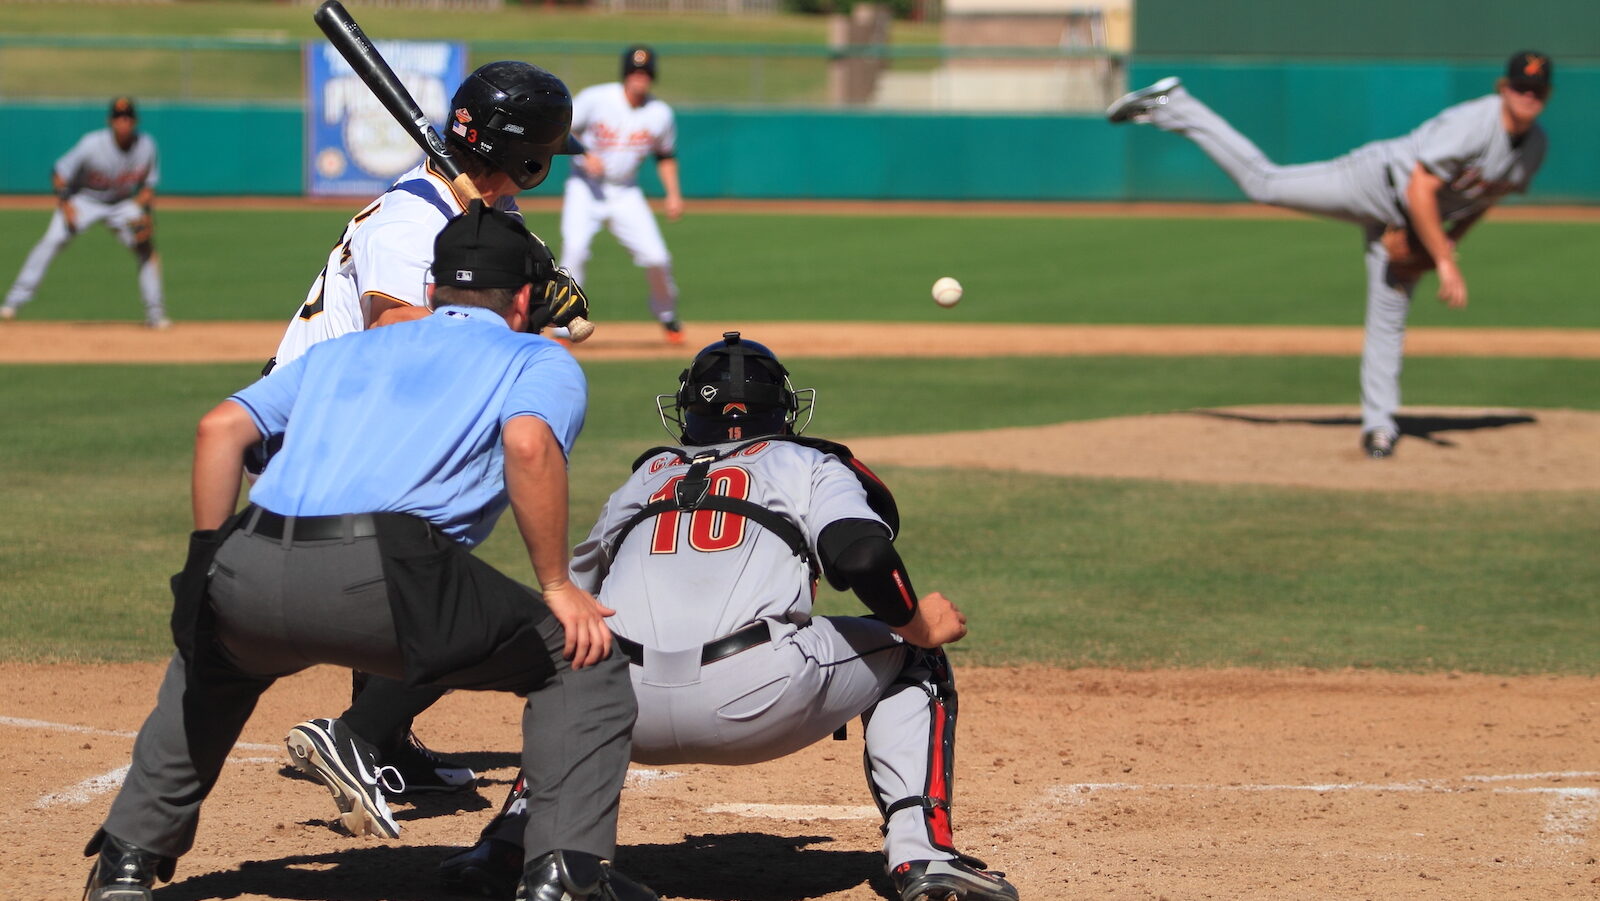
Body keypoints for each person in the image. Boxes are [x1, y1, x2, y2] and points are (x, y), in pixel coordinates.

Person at [82, 202, 654, 901]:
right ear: (527, 298)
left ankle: (126, 861)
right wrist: (558, 586)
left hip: (253, 553)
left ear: (434, 287)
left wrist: (207, 561)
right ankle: (565, 876)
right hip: (386, 577)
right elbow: (529, 444)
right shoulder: (538, 355)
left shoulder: (342, 348)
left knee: (210, 661)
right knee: (581, 661)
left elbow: (220, 428)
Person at [436, 332, 1020, 901]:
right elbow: (863, 554)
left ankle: (508, 847)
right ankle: (923, 855)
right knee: (914, 653)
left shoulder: (648, 474)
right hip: (759, 698)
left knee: (572, 671)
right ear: (787, 407)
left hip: (618, 708)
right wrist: (917, 624)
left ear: (686, 411)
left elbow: (570, 604)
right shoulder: (808, 463)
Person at [266, 60, 585, 797]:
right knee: (445, 580)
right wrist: (529, 318)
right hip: (318, 426)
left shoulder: (486, 217)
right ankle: (357, 736)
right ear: (529, 160)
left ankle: (379, 735)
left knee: (423, 554)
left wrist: (544, 300)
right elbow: (394, 325)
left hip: (368, 422)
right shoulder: (414, 215)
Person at [1107, 50, 1552, 459]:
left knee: (1389, 318)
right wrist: (1445, 259)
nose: (1527, 96)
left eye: (1536, 89)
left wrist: (1452, 239)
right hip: (1376, 183)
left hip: (1414, 222)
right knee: (1265, 183)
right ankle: (1176, 104)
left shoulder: (1534, 149)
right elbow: (1420, 187)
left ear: (1546, 95)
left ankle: (1379, 427)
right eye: (1520, 86)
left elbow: (1488, 197)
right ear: (1504, 87)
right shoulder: (1475, 123)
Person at [2, 96, 168, 328]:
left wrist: (144, 213)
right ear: (110, 121)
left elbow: (148, 188)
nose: (123, 122)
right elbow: (59, 172)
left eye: (128, 117)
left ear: (135, 121)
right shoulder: (92, 144)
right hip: (84, 199)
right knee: (52, 240)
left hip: (121, 203)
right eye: (118, 117)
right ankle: (12, 303)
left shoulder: (147, 146)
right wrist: (66, 204)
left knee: (146, 249)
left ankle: (156, 315)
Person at [559, 45, 686, 344]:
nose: (639, 77)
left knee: (657, 256)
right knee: (575, 250)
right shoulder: (597, 98)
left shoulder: (660, 114)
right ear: (625, 74)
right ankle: (564, 323)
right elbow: (563, 128)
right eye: (634, 71)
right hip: (585, 188)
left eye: (645, 72)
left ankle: (667, 316)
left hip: (626, 192)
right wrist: (585, 154)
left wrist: (673, 194)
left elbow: (665, 155)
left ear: (652, 77)